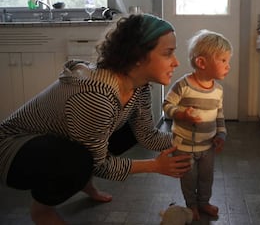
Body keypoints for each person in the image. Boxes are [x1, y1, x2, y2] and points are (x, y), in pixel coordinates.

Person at [0, 13, 192, 225]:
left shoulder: (140, 87)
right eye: (168, 53)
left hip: (60, 141)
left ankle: (84, 183)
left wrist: (191, 140)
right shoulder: (96, 96)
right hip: (13, 150)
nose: (176, 62)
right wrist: (155, 166)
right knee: (80, 161)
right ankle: (42, 210)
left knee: (128, 133)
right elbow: (100, 164)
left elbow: (146, 135)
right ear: (137, 57)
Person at [162, 29, 233, 221]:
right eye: (223, 61)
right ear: (202, 63)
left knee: (206, 177)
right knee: (188, 178)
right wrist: (181, 114)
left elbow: (219, 114)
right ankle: (191, 205)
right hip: (184, 146)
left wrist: (221, 134)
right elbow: (166, 105)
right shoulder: (182, 86)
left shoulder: (217, 90)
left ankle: (204, 202)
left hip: (207, 145)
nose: (228, 66)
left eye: (228, 61)